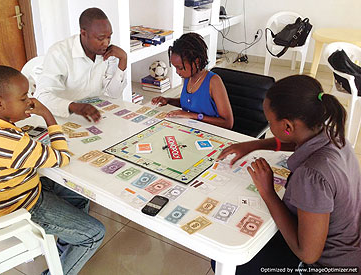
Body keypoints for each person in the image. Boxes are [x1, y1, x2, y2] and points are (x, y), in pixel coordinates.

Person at [0, 65, 105, 275]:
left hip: (3, 195)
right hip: (22, 205)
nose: (29, 102)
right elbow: (62, 158)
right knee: (96, 233)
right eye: (23, 98)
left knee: (77, 194)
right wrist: (48, 115)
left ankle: (64, 248)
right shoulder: (14, 142)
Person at [217, 75, 361, 273]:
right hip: (351, 247)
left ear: (287, 126)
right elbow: (295, 142)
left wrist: (267, 191)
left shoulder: (311, 175)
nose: (269, 125)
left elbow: (308, 254)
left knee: (227, 262)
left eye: (269, 121)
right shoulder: (333, 134)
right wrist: (254, 144)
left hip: (328, 266)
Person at [35, 7, 127, 122]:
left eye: (109, 37)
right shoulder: (59, 53)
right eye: (100, 38)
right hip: (64, 116)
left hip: (96, 114)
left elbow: (114, 94)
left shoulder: (109, 51)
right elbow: (42, 96)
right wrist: (73, 106)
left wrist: (123, 61)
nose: (106, 43)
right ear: (83, 33)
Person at [151, 32, 234, 129]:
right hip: (192, 129)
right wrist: (168, 100)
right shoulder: (188, 78)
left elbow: (228, 123)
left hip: (212, 133)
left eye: (180, 68)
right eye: (175, 68)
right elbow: (191, 103)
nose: (177, 72)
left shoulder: (213, 81)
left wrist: (192, 115)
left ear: (196, 62)